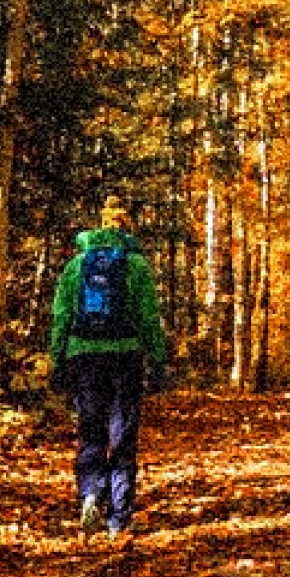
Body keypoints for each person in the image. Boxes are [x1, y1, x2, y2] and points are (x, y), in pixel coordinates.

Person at [49, 197, 167, 535]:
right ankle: (118, 516)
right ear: (126, 229)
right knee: (123, 435)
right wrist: (157, 359)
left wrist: (57, 360)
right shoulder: (137, 266)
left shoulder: (76, 266)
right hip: (126, 356)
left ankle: (89, 494)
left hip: (84, 356)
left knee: (91, 430)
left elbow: (61, 318)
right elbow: (148, 318)